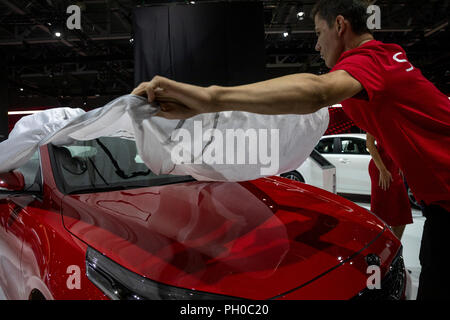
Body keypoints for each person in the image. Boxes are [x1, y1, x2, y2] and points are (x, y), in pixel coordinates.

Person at [131, 0, 450, 299]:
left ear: (339, 26)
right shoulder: (380, 68)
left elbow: (317, 92)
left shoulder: (370, 60)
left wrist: (211, 97)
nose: (315, 44)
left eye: (317, 33)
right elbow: (318, 118)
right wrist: (206, 115)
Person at [366, 132, 413, 240]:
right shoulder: (374, 116)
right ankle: (381, 246)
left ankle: (394, 244)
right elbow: (369, 143)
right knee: (382, 214)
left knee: (401, 212)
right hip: (381, 168)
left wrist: (401, 161)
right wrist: (382, 169)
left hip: (395, 166)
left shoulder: (397, 117)